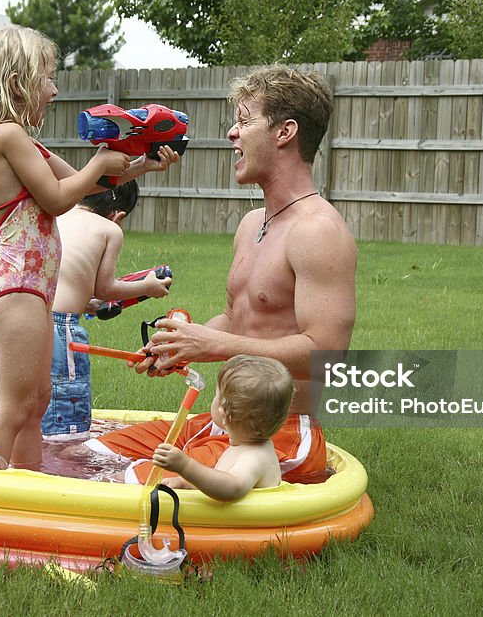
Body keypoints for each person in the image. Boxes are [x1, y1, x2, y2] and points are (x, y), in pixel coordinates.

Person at [84, 64, 357, 483]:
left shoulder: (318, 231)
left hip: (275, 436)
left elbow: (327, 355)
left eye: (245, 120)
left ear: (285, 132)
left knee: (131, 481)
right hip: (222, 425)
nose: (232, 132)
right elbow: (234, 319)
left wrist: (214, 344)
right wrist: (176, 345)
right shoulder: (252, 224)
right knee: (88, 455)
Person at [0, 25, 178, 469]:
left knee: (36, 404)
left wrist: (143, 166)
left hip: (37, 291)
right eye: (48, 78)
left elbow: (94, 183)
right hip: (17, 288)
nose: (54, 90)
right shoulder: (4, 137)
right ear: (18, 83)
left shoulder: (26, 142)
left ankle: (27, 486)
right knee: (14, 407)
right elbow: (58, 199)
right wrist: (98, 163)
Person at [43, 181, 172, 440]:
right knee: (66, 407)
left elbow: (63, 275)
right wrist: (146, 286)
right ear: (118, 215)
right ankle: (62, 465)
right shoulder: (109, 229)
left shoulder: (61, 214)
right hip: (60, 328)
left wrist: (84, 303)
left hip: (31, 316)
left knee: (37, 399)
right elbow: (104, 288)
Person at [151, 355, 293, 501]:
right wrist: (185, 482)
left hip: (242, 524)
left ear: (224, 412)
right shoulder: (248, 447)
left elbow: (232, 488)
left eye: (216, 394)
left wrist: (185, 466)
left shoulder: (254, 457)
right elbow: (218, 480)